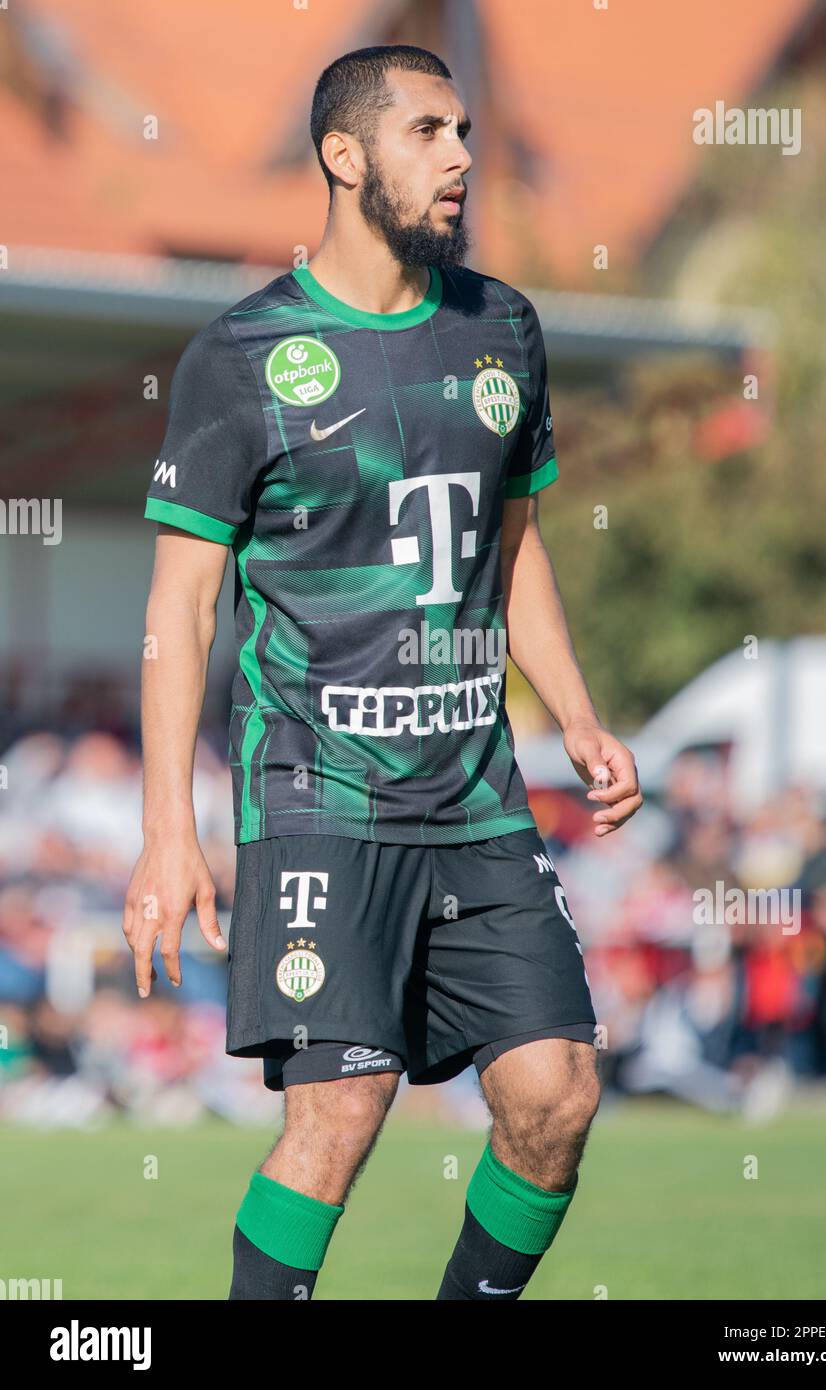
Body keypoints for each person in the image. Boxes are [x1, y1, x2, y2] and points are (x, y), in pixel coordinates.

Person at [123, 43, 642, 1301]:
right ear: (344, 158)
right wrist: (166, 832)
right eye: (426, 132)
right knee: (340, 1113)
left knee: (556, 1094)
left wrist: (574, 713)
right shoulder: (245, 355)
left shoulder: (503, 327)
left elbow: (511, 549)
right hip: (319, 800)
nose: (462, 156)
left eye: (463, 129)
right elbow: (182, 605)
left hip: (477, 800)